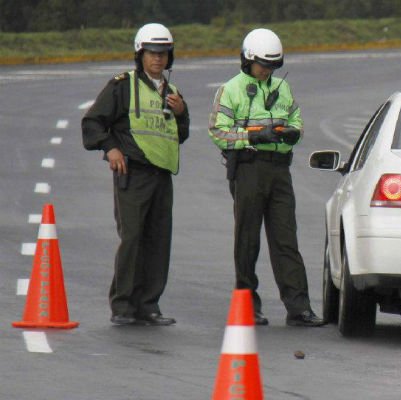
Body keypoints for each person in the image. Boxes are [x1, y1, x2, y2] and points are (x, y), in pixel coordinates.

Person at [208, 28, 324, 327]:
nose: (267, 70)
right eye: (262, 64)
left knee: (286, 239)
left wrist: (293, 133)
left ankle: (299, 308)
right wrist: (255, 136)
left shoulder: (283, 89)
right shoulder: (230, 89)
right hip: (248, 167)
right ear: (247, 60)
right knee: (247, 239)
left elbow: (295, 118)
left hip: (279, 170)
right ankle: (248, 305)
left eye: (272, 66)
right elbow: (218, 132)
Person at [82, 23, 189, 326]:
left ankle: (149, 304)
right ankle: (123, 305)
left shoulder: (172, 93)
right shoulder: (122, 85)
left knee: (158, 239)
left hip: (161, 176)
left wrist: (181, 112)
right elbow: (93, 122)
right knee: (132, 238)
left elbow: (180, 134)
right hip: (133, 172)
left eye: (164, 54)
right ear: (140, 55)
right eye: (152, 53)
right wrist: (110, 149)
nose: (158, 59)